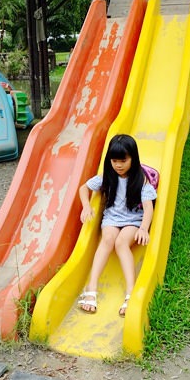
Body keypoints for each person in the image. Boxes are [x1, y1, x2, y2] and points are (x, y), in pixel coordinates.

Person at [78, 134, 157, 317]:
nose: (118, 165)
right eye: (114, 161)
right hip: (112, 219)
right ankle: (92, 289)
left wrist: (144, 228)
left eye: (123, 160)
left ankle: (131, 293)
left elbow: (148, 207)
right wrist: (86, 206)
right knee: (107, 240)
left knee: (121, 243)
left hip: (133, 219)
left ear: (133, 159)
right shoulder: (108, 176)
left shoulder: (140, 180)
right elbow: (84, 188)